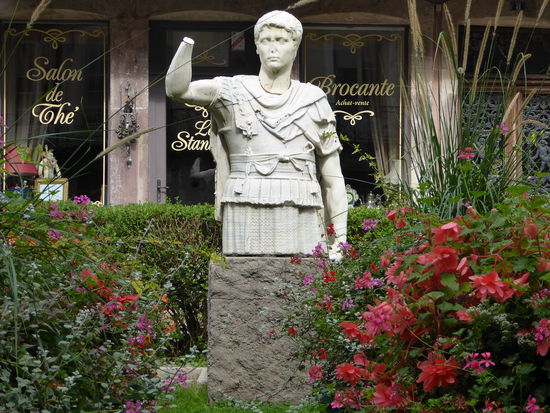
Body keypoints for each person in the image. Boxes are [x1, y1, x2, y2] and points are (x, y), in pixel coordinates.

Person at [166, 10, 347, 258]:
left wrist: (341, 239)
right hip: (245, 202)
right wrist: (187, 46)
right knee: (241, 270)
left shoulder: (313, 99)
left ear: (295, 46)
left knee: (303, 275)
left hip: (301, 205)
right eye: (266, 40)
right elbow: (178, 90)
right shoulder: (231, 91)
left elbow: (333, 177)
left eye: (281, 40)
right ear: (257, 46)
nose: (273, 48)